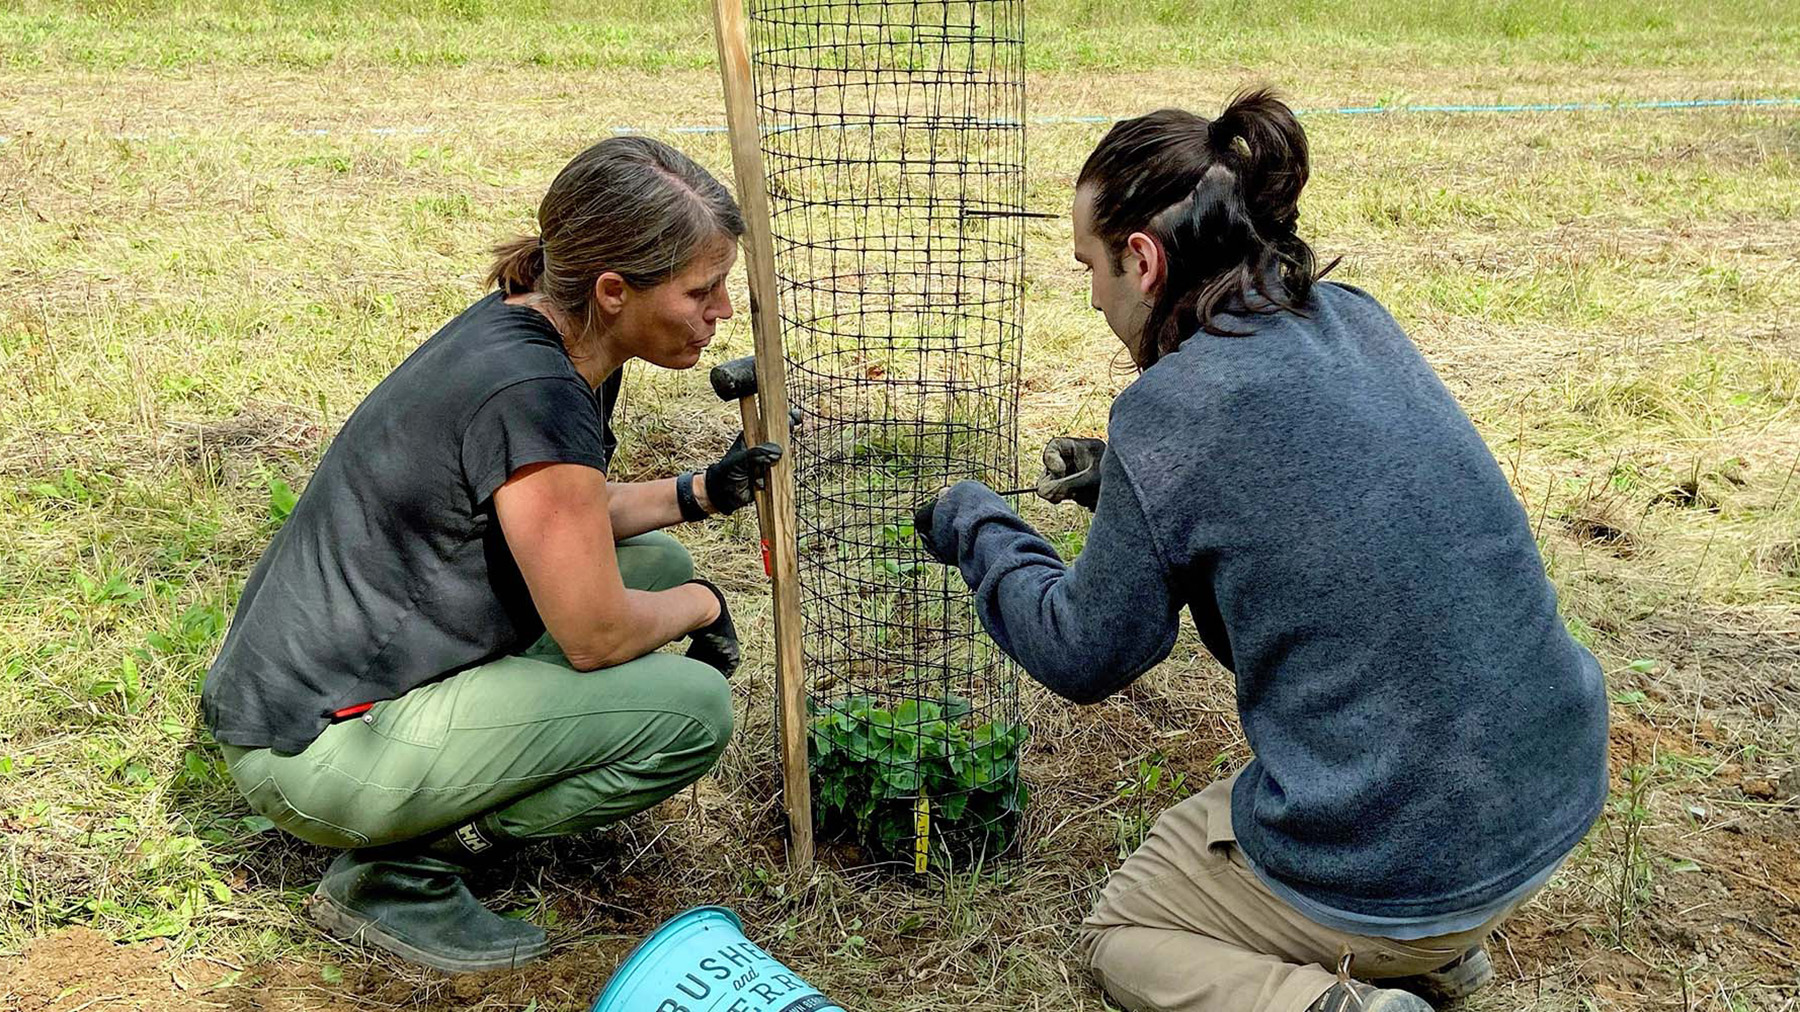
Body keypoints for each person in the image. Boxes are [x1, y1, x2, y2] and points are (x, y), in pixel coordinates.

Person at [912, 89, 1609, 1012]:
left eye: (1089, 265)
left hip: (1402, 862)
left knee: (1126, 931)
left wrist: (977, 523)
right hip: (1550, 793)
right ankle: (1440, 954)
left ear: (1145, 260)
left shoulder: (1170, 414)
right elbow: (1311, 486)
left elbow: (1086, 652)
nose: (1089, 293)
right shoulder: (1357, 318)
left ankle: (1362, 988)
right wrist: (1126, 482)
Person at [201, 136, 785, 974]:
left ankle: (428, 814)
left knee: (651, 562)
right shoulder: (535, 393)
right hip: (315, 752)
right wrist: (708, 607)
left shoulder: (547, 333)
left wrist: (699, 492)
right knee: (691, 708)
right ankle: (404, 871)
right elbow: (594, 635)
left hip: (318, 691)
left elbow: (557, 512)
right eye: (702, 290)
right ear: (615, 291)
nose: (722, 310)